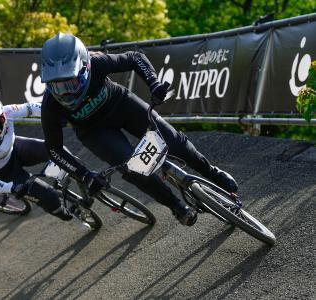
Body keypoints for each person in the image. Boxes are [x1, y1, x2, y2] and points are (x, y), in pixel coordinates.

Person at [39, 33, 239, 226]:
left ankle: (212, 173)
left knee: (175, 142)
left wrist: (154, 84)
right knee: (134, 169)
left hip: (121, 105)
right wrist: (84, 175)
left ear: (85, 68)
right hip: (95, 133)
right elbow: (54, 149)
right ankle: (175, 205)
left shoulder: (98, 63)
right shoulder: (50, 106)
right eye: (56, 87)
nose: (65, 93)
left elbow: (135, 58)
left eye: (71, 82)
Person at [0, 90, 79, 223]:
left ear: (3, 116)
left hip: (16, 149)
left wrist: (55, 116)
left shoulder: (8, 111)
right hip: (4, 171)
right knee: (49, 196)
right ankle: (61, 212)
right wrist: (10, 188)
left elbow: (32, 107)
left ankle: (76, 175)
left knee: (60, 152)